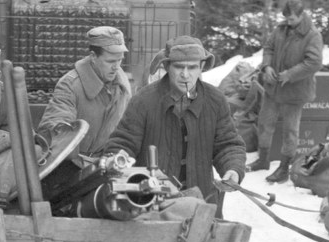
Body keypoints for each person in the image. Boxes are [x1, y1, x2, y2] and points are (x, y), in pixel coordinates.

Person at [105, 35, 245, 215]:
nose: (185, 75)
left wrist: (232, 169)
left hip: (202, 202)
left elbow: (228, 144)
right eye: (179, 67)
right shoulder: (144, 100)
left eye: (192, 67)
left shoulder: (215, 100)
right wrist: (118, 159)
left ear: (202, 67)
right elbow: (122, 143)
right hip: (152, 204)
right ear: (166, 66)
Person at [248, 0, 323, 183]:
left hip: (295, 91)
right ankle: (263, 160)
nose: (287, 23)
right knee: (265, 123)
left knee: (290, 130)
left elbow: (314, 62)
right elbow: (268, 48)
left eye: (291, 20)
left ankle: (283, 169)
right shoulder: (281, 29)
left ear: (301, 15)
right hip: (273, 88)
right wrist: (266, 67)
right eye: (286, 19)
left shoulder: (313, 35)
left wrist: (290, 74)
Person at [38, 26, 132, 155]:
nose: (116, 67)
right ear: (93, 56)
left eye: (120, 60)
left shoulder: (122, 84)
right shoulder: (70, 85)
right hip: (73, 164)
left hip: (108, 160)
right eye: (110, 61)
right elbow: (54, 126)